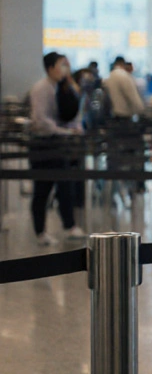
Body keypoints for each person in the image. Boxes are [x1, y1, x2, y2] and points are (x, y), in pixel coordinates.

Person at [28, 52, 86, 245]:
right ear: (51, 67)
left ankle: (69, 226)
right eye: (61, 65)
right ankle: (39, 231)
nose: (64, 70)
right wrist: (64, 131)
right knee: (42, 189)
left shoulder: (62, 88)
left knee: (65, 186)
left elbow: (66, 116)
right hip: (43, 145)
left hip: (58, 143)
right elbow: (41, 120)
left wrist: (72, 128)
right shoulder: (41, 89)